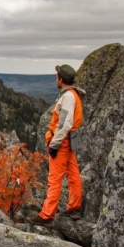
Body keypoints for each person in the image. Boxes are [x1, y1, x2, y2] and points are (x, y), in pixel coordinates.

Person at [26, 64, 84, 226]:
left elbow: (65, 124)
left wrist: (55, 145)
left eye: (57, 76)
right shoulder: (73, 94)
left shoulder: (68, 97)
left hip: (62, 142)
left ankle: (47, 215)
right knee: (73, 174)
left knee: (54, 179)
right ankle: (74, 207)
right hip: (68, 140)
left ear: (61, 79)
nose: (55, 79)